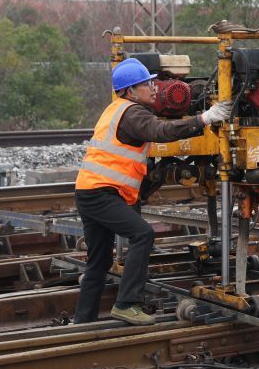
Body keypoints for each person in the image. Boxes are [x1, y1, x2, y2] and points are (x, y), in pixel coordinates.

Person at [73, 58, 232, 325]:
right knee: (142, 234)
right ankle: (126, 304)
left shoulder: (116, 110)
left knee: (98, 263)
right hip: (101, 194)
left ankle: (83, 322)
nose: (154, 87)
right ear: (130, 91)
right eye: (146, 83)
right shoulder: (133, 112)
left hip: (89, 192)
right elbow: (161, 131)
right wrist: (204, 118)